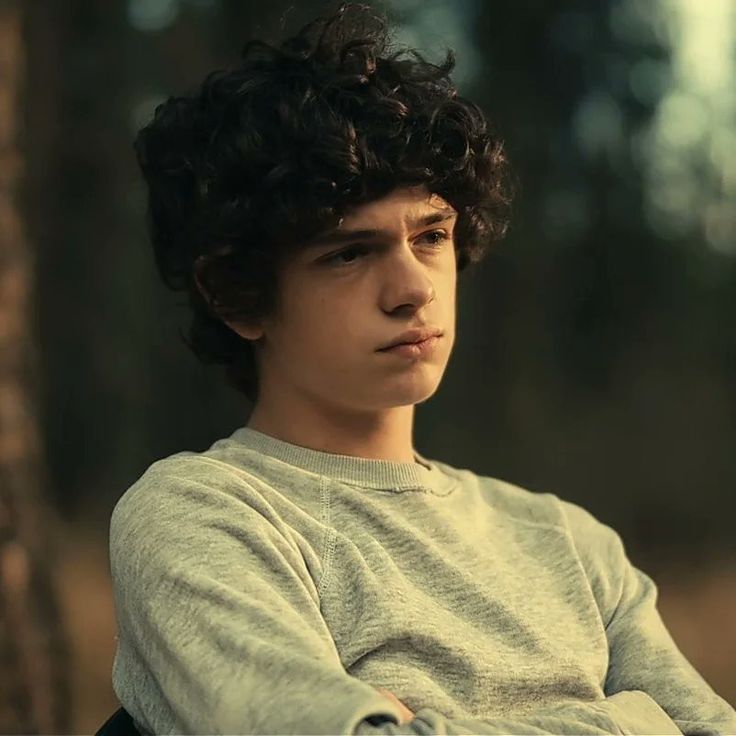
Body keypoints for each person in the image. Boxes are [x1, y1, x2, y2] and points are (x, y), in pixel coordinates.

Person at [108, 2, 736, 734]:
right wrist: (628, 723)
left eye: (432, 235)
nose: (414, 289)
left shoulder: (568, 541)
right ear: (238, 296)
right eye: (349, 252)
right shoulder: (204, 514)